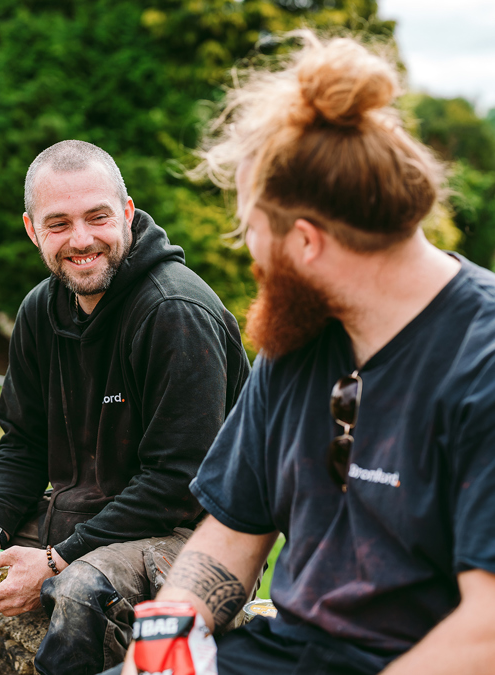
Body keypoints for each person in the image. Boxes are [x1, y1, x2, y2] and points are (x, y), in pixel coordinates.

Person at [120, 32, 495, 675]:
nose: (249, 255)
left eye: (250, 232)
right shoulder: (297, 336)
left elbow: (485, 633)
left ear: (307, 242)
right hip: (286, 654)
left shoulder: (479, 362)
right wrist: (169, 626)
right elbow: (235, 527)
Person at [0, 140, 250, 675]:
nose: (82, 240)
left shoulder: (175, 312)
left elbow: (178, 482)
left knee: (80, 592)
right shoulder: (40, 309)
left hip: (182, 534)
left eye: (98, 217)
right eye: (59, 224)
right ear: (32, 230)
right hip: (76, 515)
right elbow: (24, 443)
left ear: (126, 214)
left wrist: (56, 560)